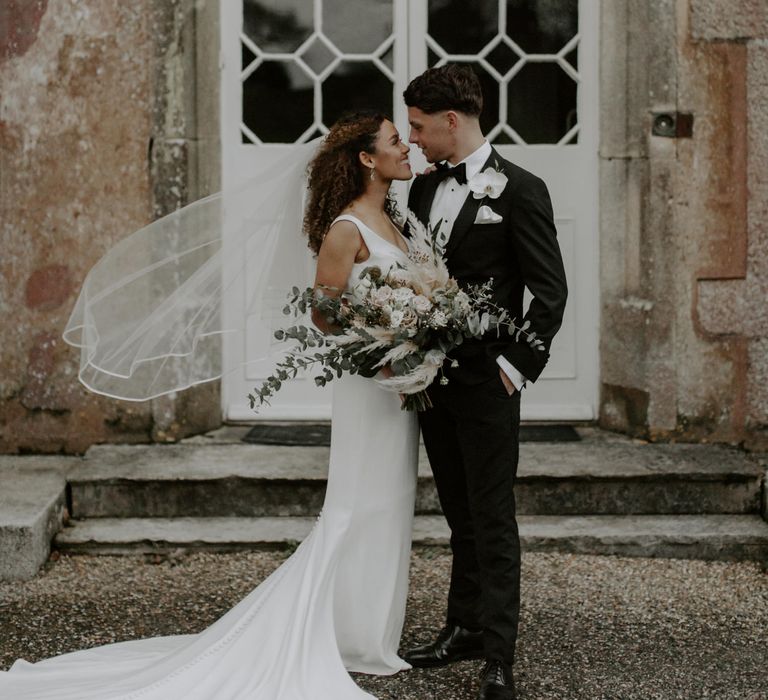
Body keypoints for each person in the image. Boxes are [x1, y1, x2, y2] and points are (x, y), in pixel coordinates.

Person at [0, 112, 418, 699]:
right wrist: (382, 340)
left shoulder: (395, 216)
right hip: (368, 380)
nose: (407, 147)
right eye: (396, 140)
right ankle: (338, 634)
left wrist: (419, 332)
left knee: (390, 502)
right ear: (367, 160)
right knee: (357, 503)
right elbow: (323, 313)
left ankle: (369, 635)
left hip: (399, 384)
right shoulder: (346, 228)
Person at [400, 64, 568, 700]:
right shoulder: (421, 191)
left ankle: (498, 654)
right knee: (457, 514)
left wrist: (515, 367)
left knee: (493, 517)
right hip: (433, 381)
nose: (413, 139)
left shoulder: (521, 190)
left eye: (418, 127)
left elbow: (549, 293)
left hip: (488, 381)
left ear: (451, 121)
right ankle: (462, 627)